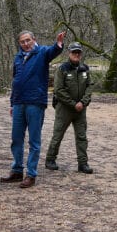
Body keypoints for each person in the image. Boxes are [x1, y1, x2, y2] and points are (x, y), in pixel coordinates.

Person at [0, 29, 65, 188]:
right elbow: (15, 81)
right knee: (16, 138)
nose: (25, 44)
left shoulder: (42, 52)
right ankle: (16, 171)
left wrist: (58, 44)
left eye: (28, 40)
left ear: (33, 39)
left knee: (34, 141)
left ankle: (31, 174)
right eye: (22, 42)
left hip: (35, 102)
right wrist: (12, 103)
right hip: (18, 103)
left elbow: (54, 51)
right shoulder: (18, 57)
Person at [45, 42, 94, 173]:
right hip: (65, 109)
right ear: (69, 53)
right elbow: (59, 90)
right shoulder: (62, 69)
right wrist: (73, 103)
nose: (76, 54)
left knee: (82, 137)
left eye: (78, 52)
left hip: (80, 110)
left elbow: (90, 86)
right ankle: (50, 159)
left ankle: (83, 163)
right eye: (74, 52)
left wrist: (83, 103)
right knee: (58, 135)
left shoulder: (85, 69)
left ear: (81, 54)